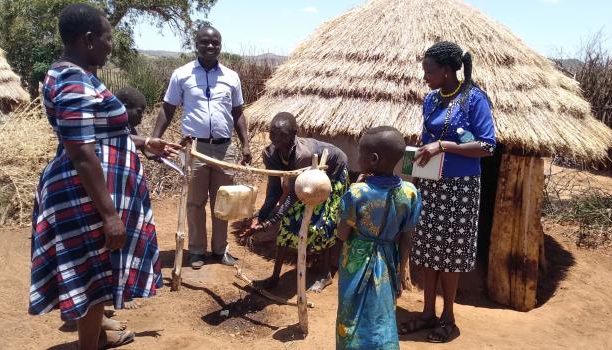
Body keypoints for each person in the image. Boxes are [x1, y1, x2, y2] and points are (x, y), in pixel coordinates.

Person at [29, 4, 178, 349]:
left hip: (88, 196)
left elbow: (96, 134)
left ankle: (96, 337)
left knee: (94, 273)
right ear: (89, 39)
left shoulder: (76, 76)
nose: (111, 45)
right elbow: (81, 152)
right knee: (92, 279)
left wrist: (143, 143)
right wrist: (110, 215)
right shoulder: (72, 80)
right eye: (108, 39)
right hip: (85, 199)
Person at [397, 41, 496, 343]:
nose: (424, 76)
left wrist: (444, 146)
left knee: (450, 255)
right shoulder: (430, 100)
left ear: (446, 70)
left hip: (461, 188)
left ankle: (448, 317)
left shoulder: (473, 99)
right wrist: (413, 171)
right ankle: (427, 313)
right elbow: (425, 139)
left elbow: (487, 146)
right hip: (431, 184)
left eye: (428, 71)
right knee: (428, 250)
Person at [152, 25, 252, 269]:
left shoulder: (231, 77)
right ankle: (196, 252)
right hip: (194, 148)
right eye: (205, 42)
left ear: (220, 45)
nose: (210, 46)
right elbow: (168, 108)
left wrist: (245, 143)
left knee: (223, 201)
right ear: (196, 44)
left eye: (215, 42)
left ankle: (220, 250)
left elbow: (237, 112)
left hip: (224, 149)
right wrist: (155, 140)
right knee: (195, 202)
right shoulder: (182, 74)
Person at [335, 126, 421, 350]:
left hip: (356, 262)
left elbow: (342, 234)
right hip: (388, 261)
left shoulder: (356, 194)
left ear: (373, 159)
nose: (357, 157)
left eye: (360, 153)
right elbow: (406, 238)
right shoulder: (411, 192)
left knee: (351, 312)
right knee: (381, 313)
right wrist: (402, 271)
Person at [249, 112, 348, 292]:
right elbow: (274, 190)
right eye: (272, 133)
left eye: (282, 135)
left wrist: (270, 221)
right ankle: (274, 277)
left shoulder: (303, 154)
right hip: (303, 182)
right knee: (287, 225)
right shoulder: (270, 153)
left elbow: (294, 195)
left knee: (321, 223)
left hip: (332, 174)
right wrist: (261, 217)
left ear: (295, 133)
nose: (276, 139)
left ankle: (325, 275)